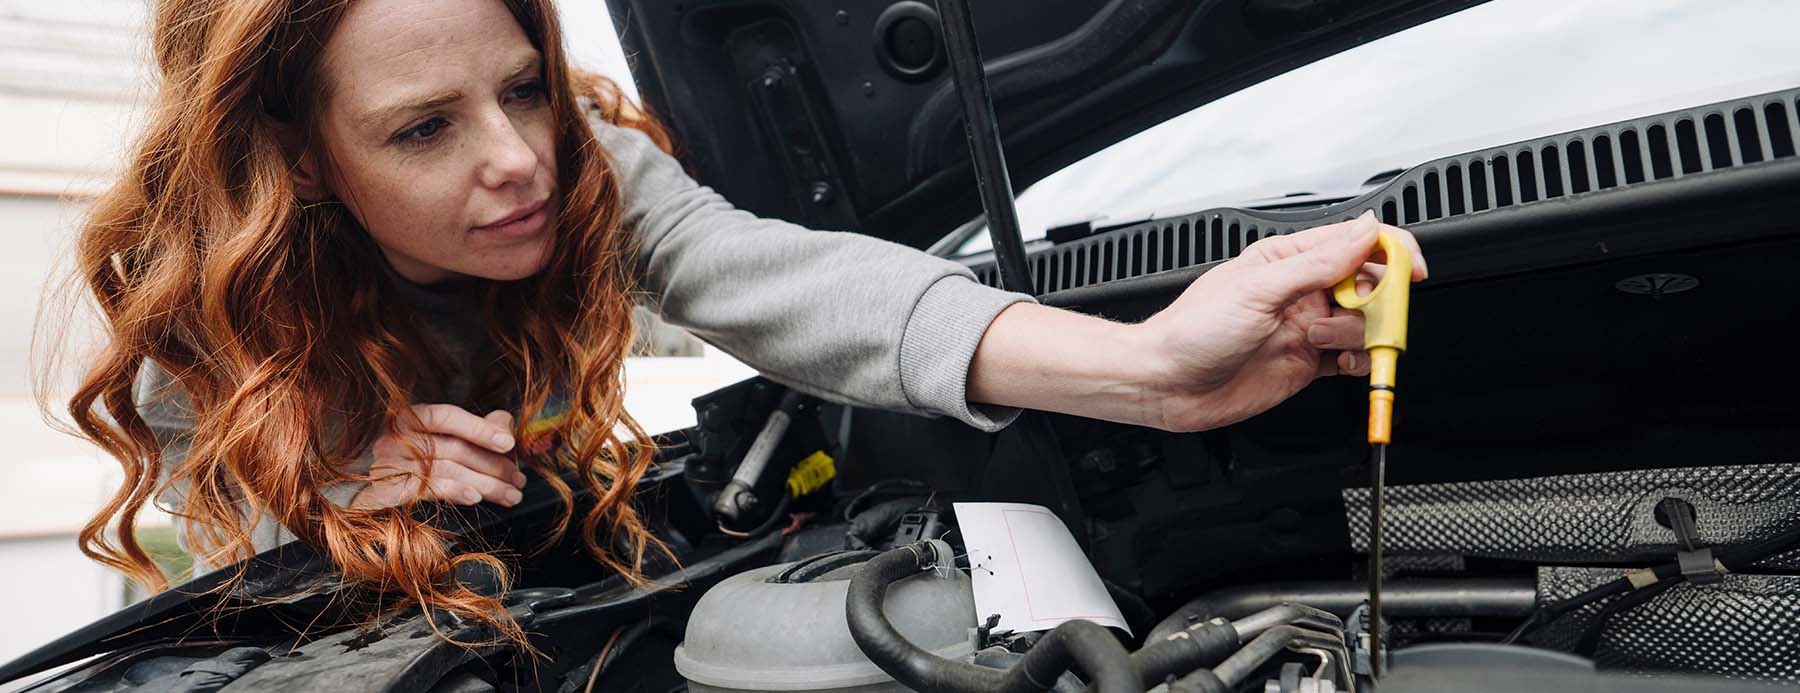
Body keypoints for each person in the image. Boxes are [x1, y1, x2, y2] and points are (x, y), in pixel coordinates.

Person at [52, 0, 1425, 644]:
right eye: (424, 128)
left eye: (524, 87)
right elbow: (210, 488)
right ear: (296, 155)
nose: (521, 157)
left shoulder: (578, 161)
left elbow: (775, 272)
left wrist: (1147, 372)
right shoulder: (198, 293)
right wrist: (341, 473)